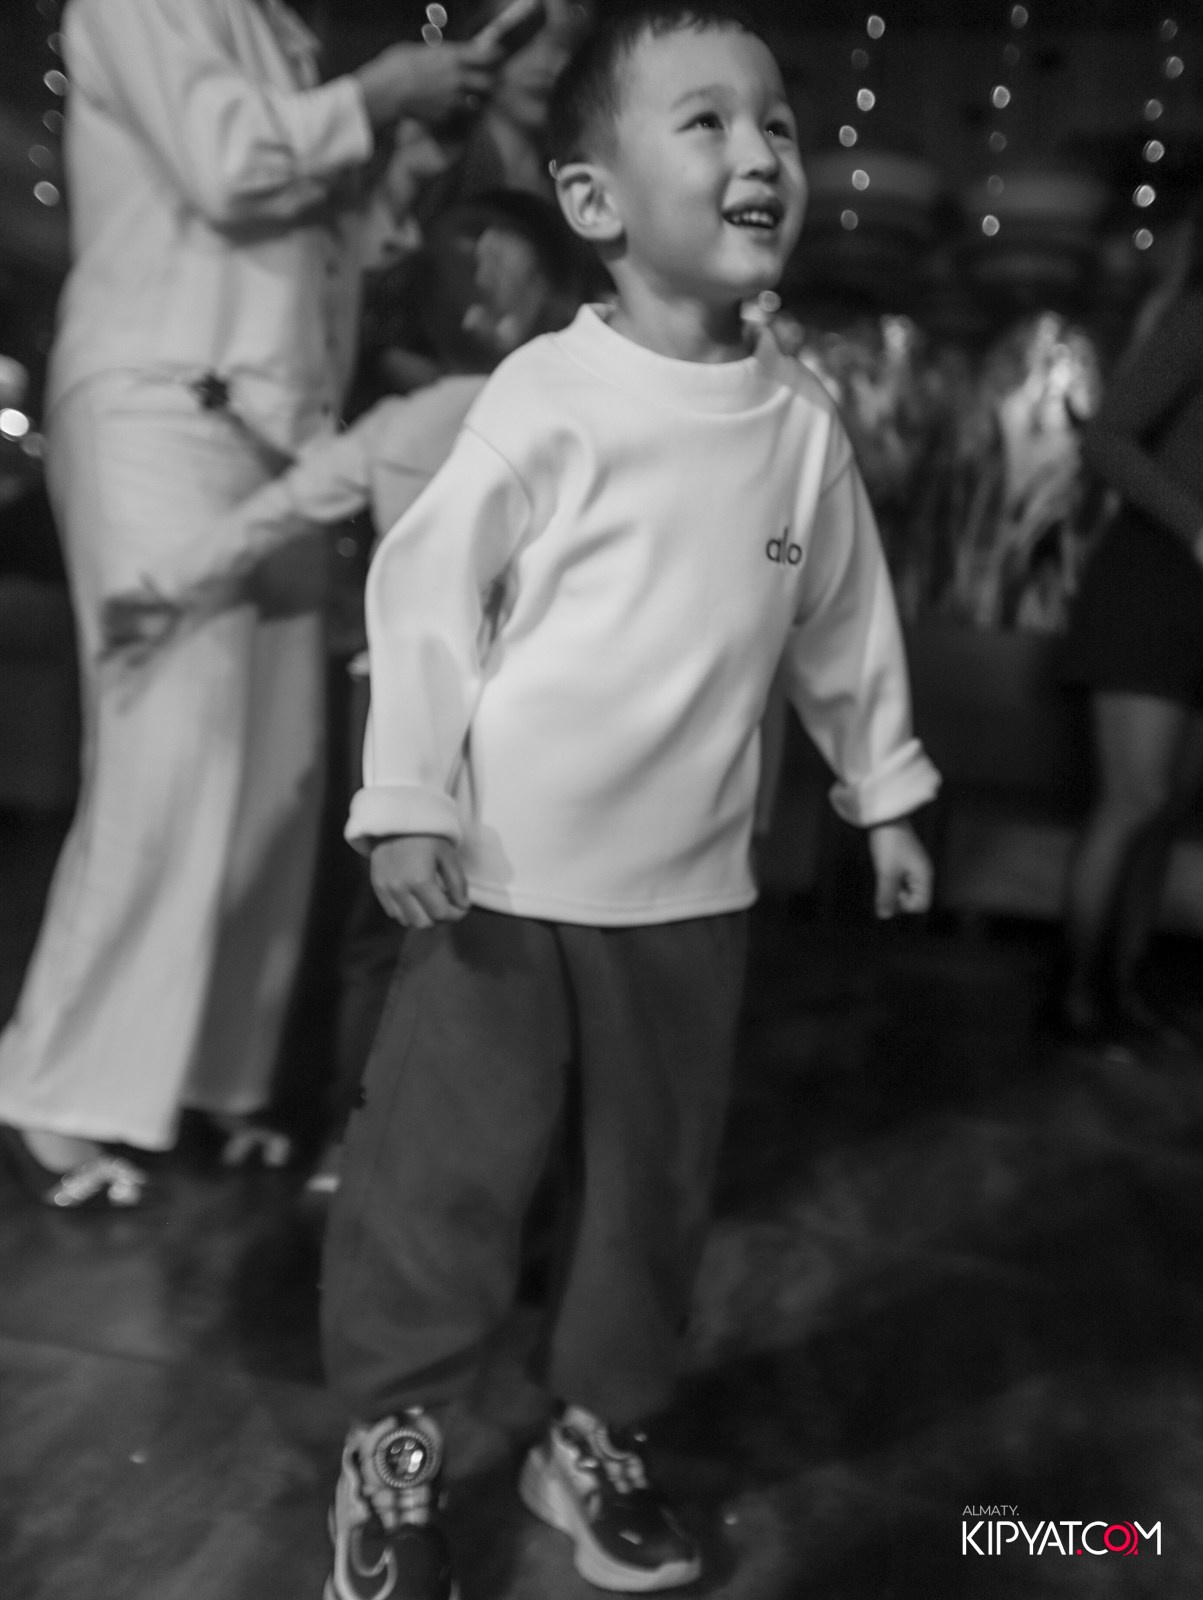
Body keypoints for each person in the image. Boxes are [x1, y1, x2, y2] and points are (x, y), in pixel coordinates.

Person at [319, 6, 940, 1596]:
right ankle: (394, 1454)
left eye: (776, 123)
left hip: (688, 900)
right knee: (440, 1191)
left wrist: (882, 790)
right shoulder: (547, 394)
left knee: (643, 1203)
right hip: (498, 890)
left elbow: (842, 626)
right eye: (706, 121)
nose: (759, 152)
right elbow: (424, 593)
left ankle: (591, 1437)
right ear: (593, 201)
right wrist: (409, 794)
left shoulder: (800, 426)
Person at [0, 0, 506, 1209]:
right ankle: (54, 1089)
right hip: (155, 402)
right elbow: (227, 160)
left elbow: (331, 245)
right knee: (166, 753)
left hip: (282, 424)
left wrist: (410, 153)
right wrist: (385, 92)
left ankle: (205, 1080)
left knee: (280, 780)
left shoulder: (284, 34)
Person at [99, 191, 586, 1191]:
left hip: (396, 700)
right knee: (523, 923)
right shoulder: (565, 415)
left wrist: (155, 587)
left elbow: (272, 515)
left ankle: (348, 1143)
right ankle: (493, 1152)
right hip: (529, 701)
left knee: (379, 936)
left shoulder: (402, 423)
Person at [1058, 205, 1203, 1055]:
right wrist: (1194, 525)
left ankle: (1126, 985)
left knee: (1169, 806)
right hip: (1149, 580)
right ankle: (1073, 996)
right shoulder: (1196, 317)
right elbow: (1105, 437)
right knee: (1136, 797)